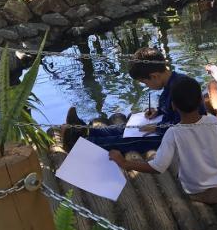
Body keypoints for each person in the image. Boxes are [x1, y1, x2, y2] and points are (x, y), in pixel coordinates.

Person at [108, 76, 217, 205]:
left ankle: (199, 194)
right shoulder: (213, 121)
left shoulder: (172, 133)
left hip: (196, 185)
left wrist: (125, 163)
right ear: (201, 101)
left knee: (189, 182)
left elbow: (158, 167)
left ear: (173, 105)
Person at [62, 47, 206, 153]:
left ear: (154, 76)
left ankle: (81, 144)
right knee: (123, 129)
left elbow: (185, 121)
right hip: (164, 124)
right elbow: (171, 110)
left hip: (176, 136)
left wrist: (157, 128)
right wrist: (157, 112)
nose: (147, 86)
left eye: (145, 82)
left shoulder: (180, 86)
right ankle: (83, 130)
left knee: (129, 140)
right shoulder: (172, 81)